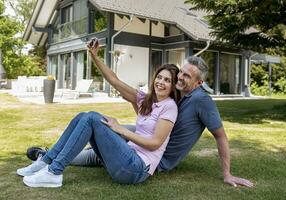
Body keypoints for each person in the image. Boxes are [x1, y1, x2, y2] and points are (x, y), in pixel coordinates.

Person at [60, 56, 254, 187]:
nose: (180, 77)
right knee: (103, 133)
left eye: (187, 75)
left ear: (199, 83)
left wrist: (227, 174)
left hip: (154, 156)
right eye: (181, 72)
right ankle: (50, 155)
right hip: (148, 139)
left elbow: (220, 136)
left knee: (104, 135)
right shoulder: (176, 94)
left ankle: (52, 160)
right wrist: (95, 57)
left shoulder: (201, 101)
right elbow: (118, 83)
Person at [16, 38, 179, 187]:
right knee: (83, 116)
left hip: (137, 168)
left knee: (92, 118)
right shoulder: (145, 99)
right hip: (125, 156)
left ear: (173, 86)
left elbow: (156, 143)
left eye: (167, 80)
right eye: (160, 77)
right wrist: (94, 56)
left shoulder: (169, 107)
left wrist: (120, 129)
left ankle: (54, 172)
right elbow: (114, 80)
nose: (161, 82)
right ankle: (46, 161)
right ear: (154, 78)